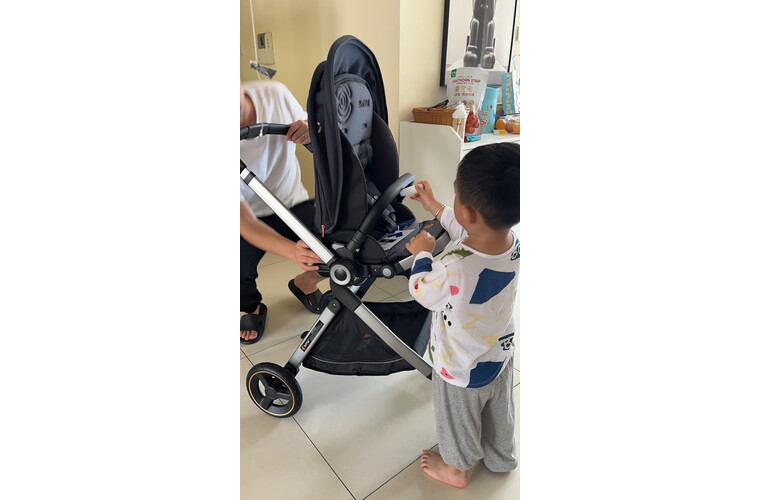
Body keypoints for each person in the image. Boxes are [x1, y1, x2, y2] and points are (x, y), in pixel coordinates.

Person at [404, 142, 520, 488]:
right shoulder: (513, 242)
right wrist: (436, 206)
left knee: (458, 419)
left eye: (455, 195)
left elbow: (423, 291)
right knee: (499, 409)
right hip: (498, 350)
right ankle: (501, 456)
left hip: (460, 363)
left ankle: (456, 469)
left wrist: (422, 255)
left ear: (468, 211)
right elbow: (470, 231)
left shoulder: (454, 266)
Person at [240, 80, 327, 344]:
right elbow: (243, 221)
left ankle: (305, 283)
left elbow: (313, 126)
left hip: (291, 202)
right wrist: (292, 251)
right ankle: (249, 305)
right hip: (249, 216)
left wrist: (309, 129)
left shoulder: (275, 94)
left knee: (334, 246)